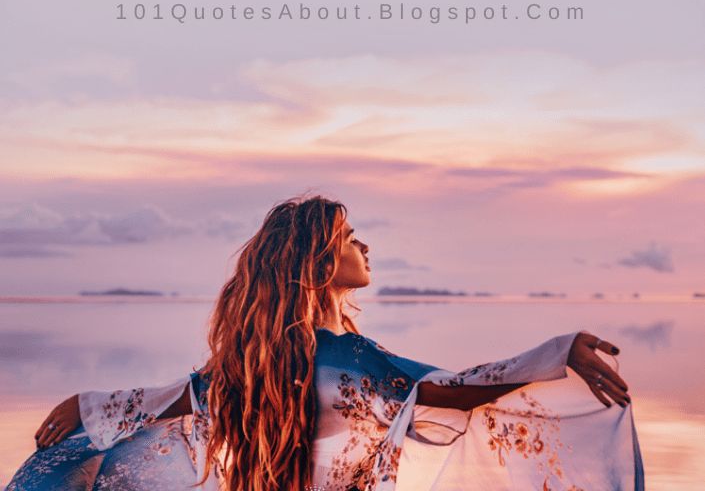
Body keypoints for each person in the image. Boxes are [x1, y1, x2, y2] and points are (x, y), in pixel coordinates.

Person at [7, 195, 644, 491]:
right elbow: (448, 390)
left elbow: (187, 397)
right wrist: (557, 355)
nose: (365, 246)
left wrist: (90, 408)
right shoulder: (343, 357)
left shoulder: (272, 357)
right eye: (350, 237)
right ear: (316, 258)